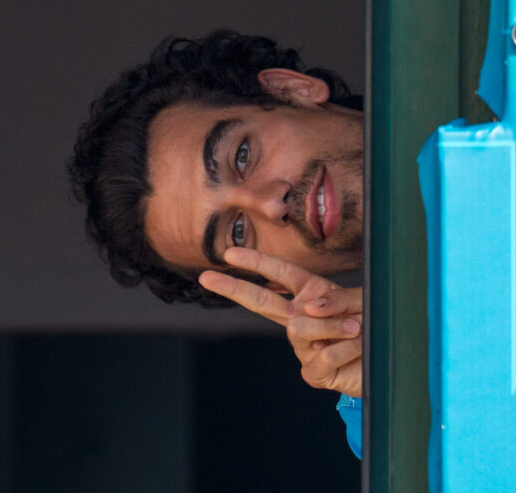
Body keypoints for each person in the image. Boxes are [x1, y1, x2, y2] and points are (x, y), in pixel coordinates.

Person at [68, 30, 364, 456]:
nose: (270, 204)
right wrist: (399, 371)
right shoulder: (379, 408)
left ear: (291, 90)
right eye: (237, 231)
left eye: (242, 156)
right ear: (272, 283)